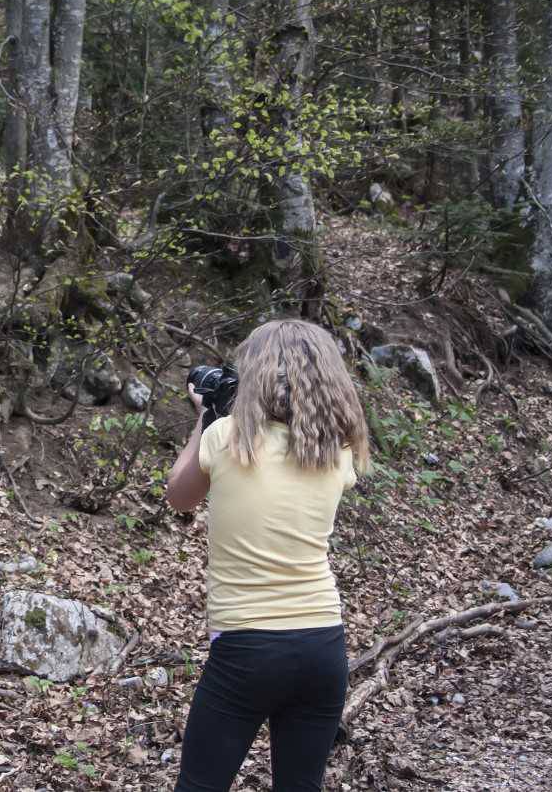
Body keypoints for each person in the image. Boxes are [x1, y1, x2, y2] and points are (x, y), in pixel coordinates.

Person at [165, 319, 371, 792]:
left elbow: (178, 496)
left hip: (247, 647)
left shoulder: (225, 437)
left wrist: (206, 418)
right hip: (323, 644)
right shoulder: (336, 453)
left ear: (253, 373)